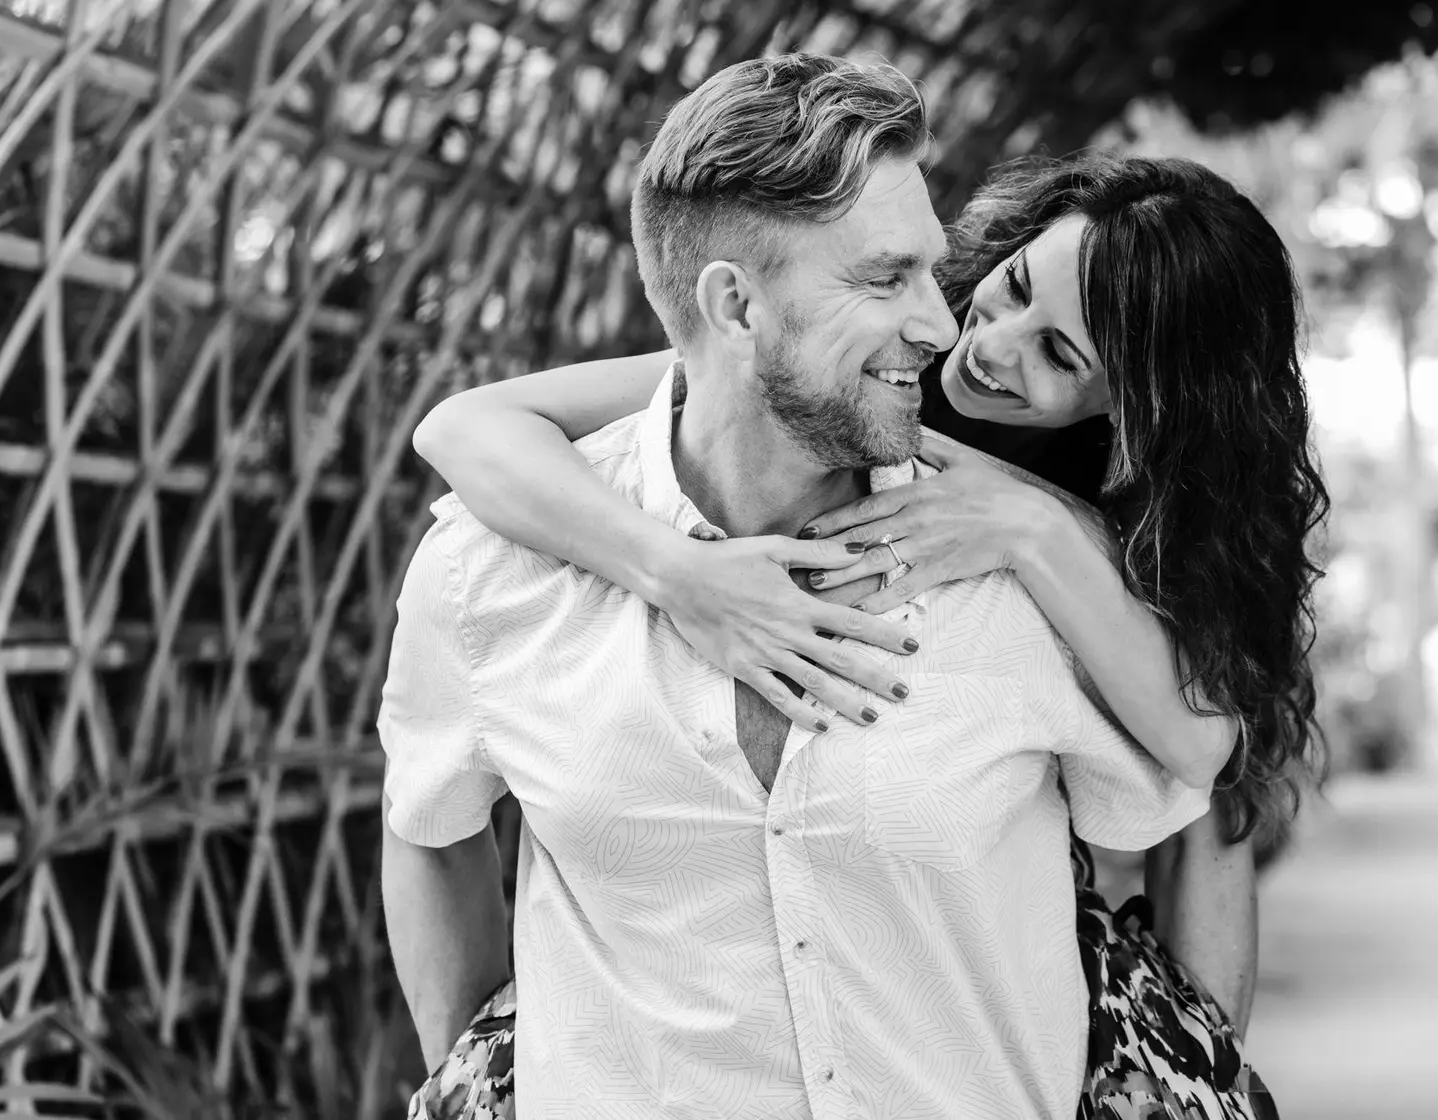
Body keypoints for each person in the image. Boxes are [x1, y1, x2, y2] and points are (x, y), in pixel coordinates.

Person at [407, 74, 1326, 1120]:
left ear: (1136, 409)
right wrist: (679, 573)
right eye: (1014, 287)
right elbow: (467, 428)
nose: (983, 343)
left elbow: (1207, 763)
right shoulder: (856, 344)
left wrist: (1032, 528)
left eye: (1059, 354)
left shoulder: (1138, 522)